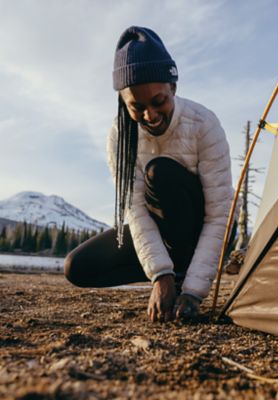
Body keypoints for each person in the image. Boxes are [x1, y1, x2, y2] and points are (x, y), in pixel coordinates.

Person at [64, 26, 235, 323]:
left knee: (160, 172)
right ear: (123, 103)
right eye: (137, 107)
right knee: (77, 267)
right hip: (160, 232)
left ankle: (186, 276)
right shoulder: (120, 137)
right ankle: (173, 273)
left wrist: (194, 291)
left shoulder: (204, 124)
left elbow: (219, 215)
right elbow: (137, 211)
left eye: (159, 101)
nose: (150, 116)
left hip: (203, 228)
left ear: (173, 88)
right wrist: (160, 275)